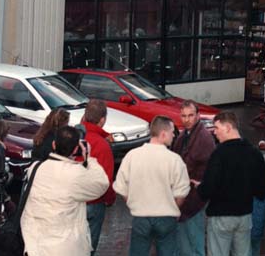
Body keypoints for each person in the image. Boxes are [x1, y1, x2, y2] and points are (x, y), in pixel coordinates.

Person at [21, 126, 109, 256]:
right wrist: (89, 159)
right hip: (64, 247)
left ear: (54, 144)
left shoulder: (35, 168)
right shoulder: (76, 174)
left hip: (34, 245)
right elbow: (102, 184)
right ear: (75, 149)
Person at [197, 111, 265, 256]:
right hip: (244, 216)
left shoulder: (219, 154)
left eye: (216, 128)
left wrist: (200, 188)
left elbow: (208, 188)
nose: (214, 133)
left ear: (227, 128)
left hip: (221, 216)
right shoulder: (253, 153)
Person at [114, 116, 190, 256]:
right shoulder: (174, 159)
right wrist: (172, 207)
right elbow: (182, 192)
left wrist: (133, 205)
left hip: (141, 217)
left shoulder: (132, 156)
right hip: (166, 217)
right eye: (172, 131)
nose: (174, 135)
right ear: (163, 134)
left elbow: (121, 187)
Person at [170, 100, 216, 256]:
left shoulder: (203, 138)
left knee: (194, 241)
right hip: (186, 196)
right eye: (183, 116)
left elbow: (193, 166)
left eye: (190, 115)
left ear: (198, 116)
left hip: (195, 198)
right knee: (185, 241)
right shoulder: (186, 135)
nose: (186, 119)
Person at [81, 100, 115, 255]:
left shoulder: (75, 138)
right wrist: (109, 199)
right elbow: (106, 179)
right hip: (94, 202)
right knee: (89, 247)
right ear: (103, 119)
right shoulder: (102, 144)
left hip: (73, 202)